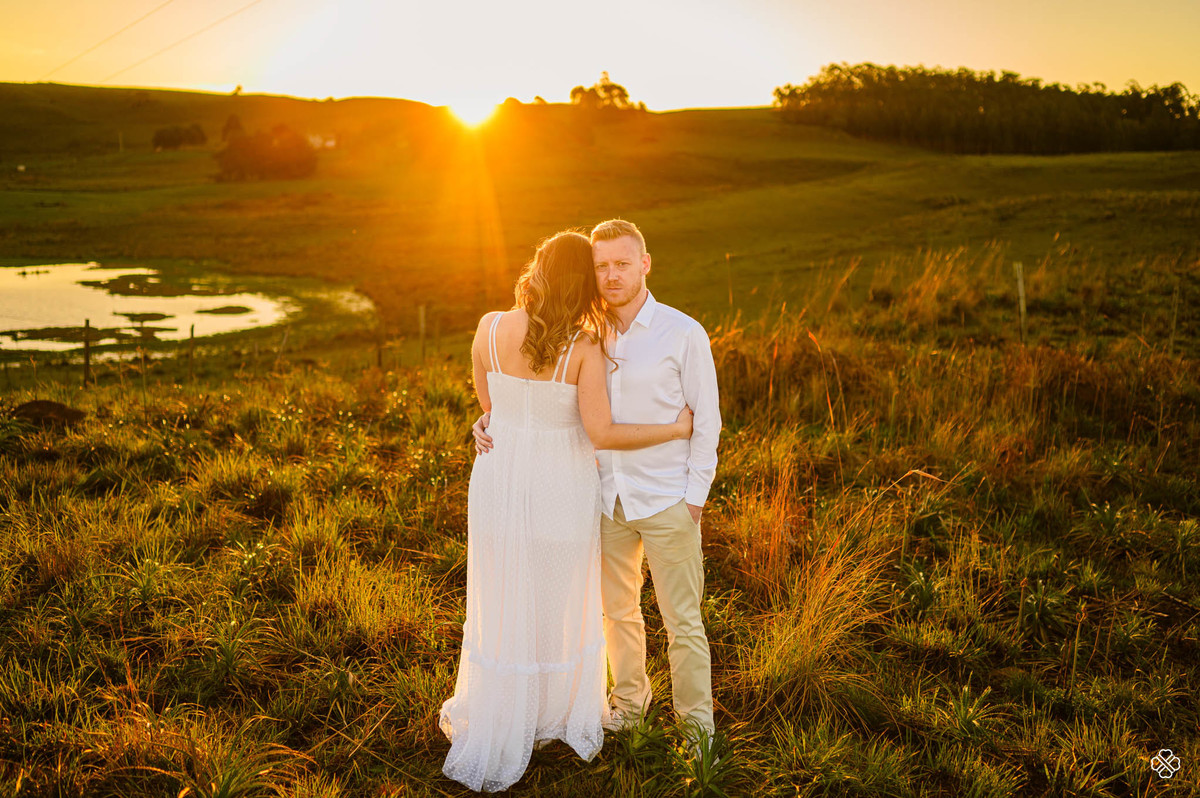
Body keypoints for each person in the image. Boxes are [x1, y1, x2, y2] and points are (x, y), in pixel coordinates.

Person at [439, 230, 694, 793]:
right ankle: (550, 712)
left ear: (538, 271)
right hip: (559, 485)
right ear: (583, 284)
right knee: (557, 600)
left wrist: (491, 422)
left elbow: (489, 402)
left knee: (505, 594)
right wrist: (676, 429)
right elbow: (602, 432)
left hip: (498, 479)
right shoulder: (584, 346)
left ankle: (509, 708)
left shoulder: (488, 327)